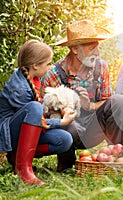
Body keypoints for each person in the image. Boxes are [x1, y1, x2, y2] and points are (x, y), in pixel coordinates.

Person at [40, 20, 123, 172]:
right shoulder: (53, 75)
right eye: (91, 48)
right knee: (69, 125)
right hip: (68, 128)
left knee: (119, 101)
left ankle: (115, 158)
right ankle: (66, 164)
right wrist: (65, 110)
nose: (97, 52)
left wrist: (89, 105)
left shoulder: (100, 67)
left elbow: (107, 101)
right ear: (75, 49)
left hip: (93, 126)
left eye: (97, 47)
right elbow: (43, 115)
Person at [0, 40, 74, 185]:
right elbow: (37, 118)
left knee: (64, 140)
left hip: (24, 131)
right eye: (47, 64)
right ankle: (23, 169)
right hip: (8, 132)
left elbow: (35, 120)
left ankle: (17, 157)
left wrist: (54, 110)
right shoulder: (20, 88)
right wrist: (61, 122)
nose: (50, 67)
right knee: (34, 107)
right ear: (35, 65)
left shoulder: (33, 79)